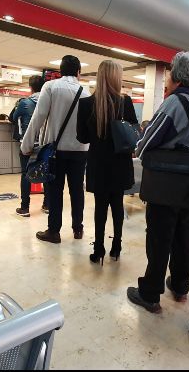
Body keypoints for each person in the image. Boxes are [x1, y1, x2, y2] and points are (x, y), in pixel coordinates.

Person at [126, 52, 189, 312]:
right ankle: (180, 285)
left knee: (159, 237)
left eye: (169, 71)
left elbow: (145, 144)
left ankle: (150, 293)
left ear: (177, 75)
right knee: (184, 232)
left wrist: (140, 148)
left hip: (166, 185)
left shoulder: (175, 102)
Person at [21, 56, 90, 243]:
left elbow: (38, 117)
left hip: (55, 151)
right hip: (80, 150)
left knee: (55, 191)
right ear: (78, 72)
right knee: (77, 190)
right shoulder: (85, 91)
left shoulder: (51, 87)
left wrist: (26, 145)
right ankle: (78, 228)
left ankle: (54, 231)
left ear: (60, 71)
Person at [76, 61, 137, 264]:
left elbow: (82, 137)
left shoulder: (86, 104)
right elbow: (133, 133)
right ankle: (116, 247)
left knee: (100, 207)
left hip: (98, 163)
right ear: (116, 77)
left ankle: (99, 249)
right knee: (117, 205)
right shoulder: (125, 102)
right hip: (120, 163)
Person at [11, 75, 48, 217]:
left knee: (25, 175)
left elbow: (14, 118)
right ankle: (47, 205)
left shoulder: (24, 103)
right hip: (44, 144)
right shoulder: (48, 102)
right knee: (46, 173)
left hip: (28, 144)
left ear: (30, 87)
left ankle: (25, 208)